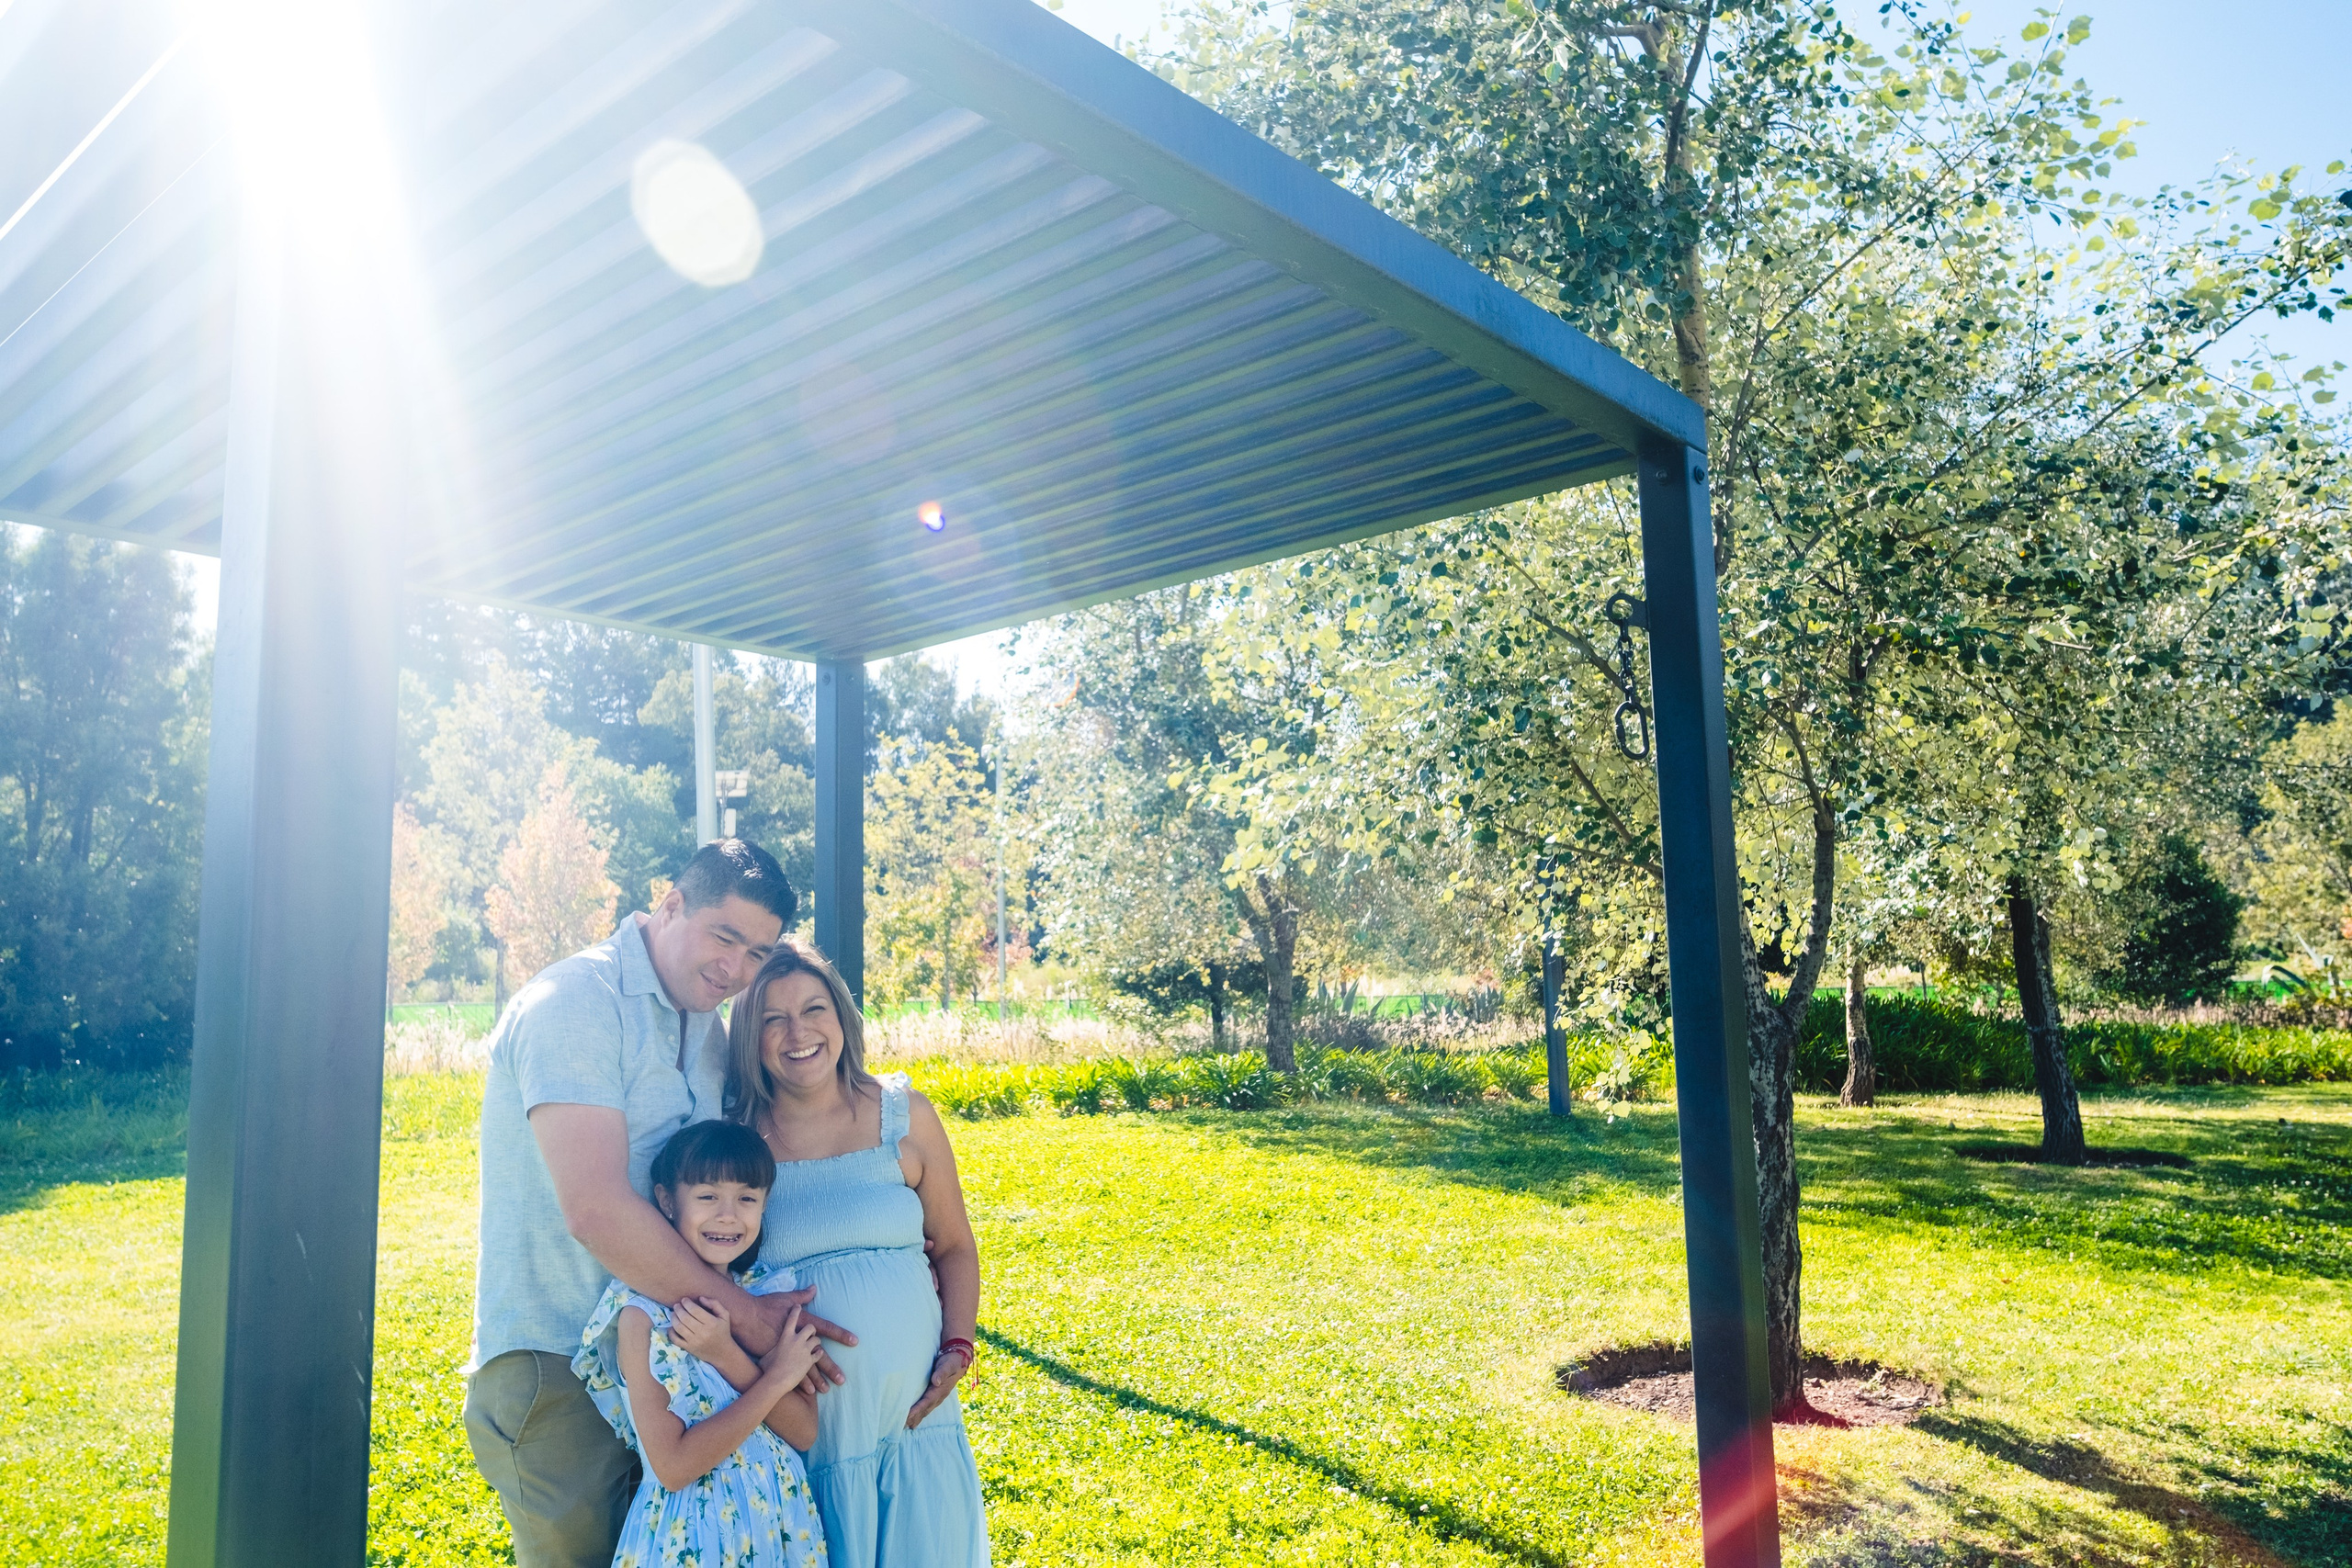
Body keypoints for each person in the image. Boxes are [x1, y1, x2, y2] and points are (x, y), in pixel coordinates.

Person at [465, 839, 854, 1568]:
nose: (735, 969)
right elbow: (597, 1210)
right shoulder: (574, 1002)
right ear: (671, 903)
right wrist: (747, 1317)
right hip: (559, 1367)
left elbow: (750, 1168)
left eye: (756, 954)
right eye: (724, 936)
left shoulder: (708, 1029)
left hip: (682, 1368)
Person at [726, 941, 989, 1568]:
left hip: (915, 1423)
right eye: (773, 1018)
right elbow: (710, 1270)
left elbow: (954, 1246)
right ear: (749, 1037)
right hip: (807, 1430)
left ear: (842, 1016)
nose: (799, 1032)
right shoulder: (734, 1140)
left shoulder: (906, 1114)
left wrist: (959, 1345)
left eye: (814, 1008)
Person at [572, 1120, 829, 1568]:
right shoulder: (643, 1317)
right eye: (707, 1196)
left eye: (747, 1198)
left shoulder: (768, 1297)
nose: (728, 1215)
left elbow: (804, 1431)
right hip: (695, 1536)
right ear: (667, 1201)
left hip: (779, 1526)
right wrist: (769, 1380)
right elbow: (672, 1468)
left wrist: (727, 1355)